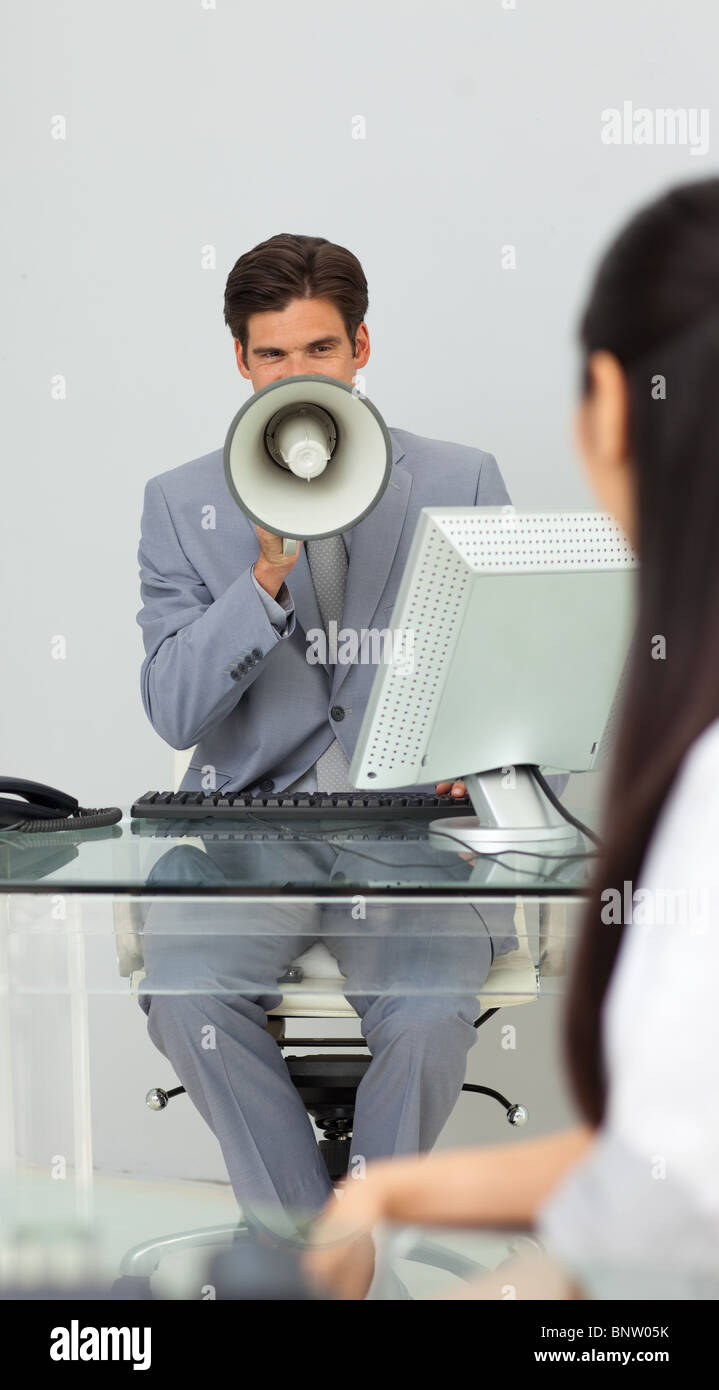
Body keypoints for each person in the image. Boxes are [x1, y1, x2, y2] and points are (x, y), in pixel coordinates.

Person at [305, 178, 719, 1299]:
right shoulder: (187, 506)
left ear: (602, 406)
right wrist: (384, 1197)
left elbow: (661, 1216)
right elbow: (678, 1152)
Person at [135, 233, 517, 1232]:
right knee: (183, 997)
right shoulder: (182, 503)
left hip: (412, 842)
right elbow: (174, 707)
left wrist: (475, 782)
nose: (295, 376)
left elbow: (514, 680)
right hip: (245, 845)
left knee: (430, 1018)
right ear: (239, 362)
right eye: (271, 356)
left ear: (357, 348)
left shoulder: (459, 478)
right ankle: (311, 1256)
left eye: (317, 351)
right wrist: (261, 576)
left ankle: (356, 1249)